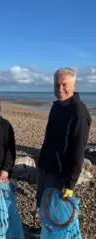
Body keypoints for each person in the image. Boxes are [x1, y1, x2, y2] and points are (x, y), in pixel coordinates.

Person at [36, 67, 92, 208]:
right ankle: (41, 229)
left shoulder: (79, 112)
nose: (60, 88)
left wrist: (71, 184)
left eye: (64, 84)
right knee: (41, 203)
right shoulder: (56, 107)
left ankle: (47, 229)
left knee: (52, 210)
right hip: (45, 166)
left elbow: (78, 149)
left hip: (60, 173)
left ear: (74, 85)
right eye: (57, 85)